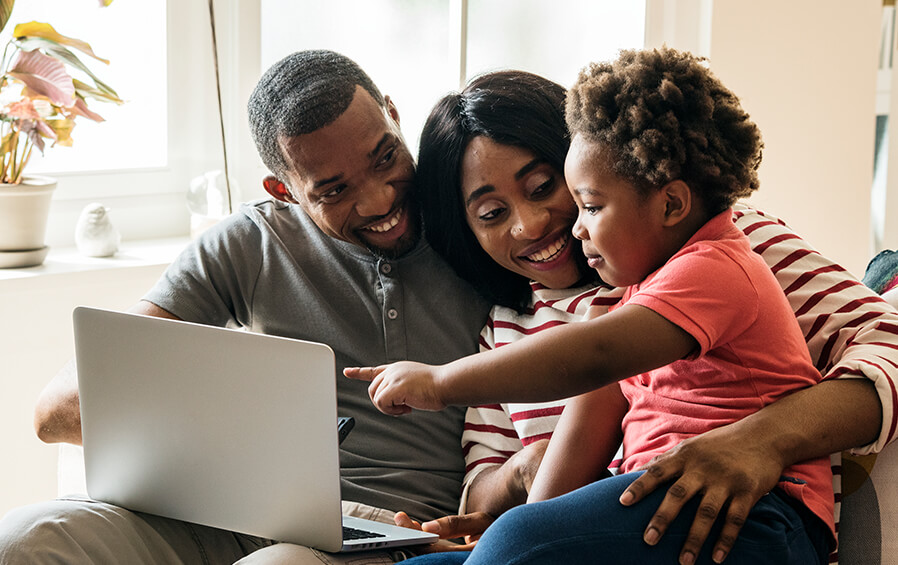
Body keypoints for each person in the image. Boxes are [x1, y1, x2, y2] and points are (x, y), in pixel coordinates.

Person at [348, 52, 898, 564]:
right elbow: (576, 431)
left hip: (757, 518)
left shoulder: (721, 254)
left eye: (550, 189)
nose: (534, 225)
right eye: (491, 213)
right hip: (646, 519)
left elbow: (595, 355)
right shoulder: (607, 301)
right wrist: (514, 523)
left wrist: (440, 383)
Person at [0, 50, 491, 564]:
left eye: (385, 158)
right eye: (334, 190)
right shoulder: (254, 242)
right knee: (24, 539)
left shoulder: (483, 222)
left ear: (393, 114)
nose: (377, 201)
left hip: (389, 530)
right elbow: (58, 410)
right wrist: (232, 460)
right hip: (227, 517)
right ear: (284, 192)